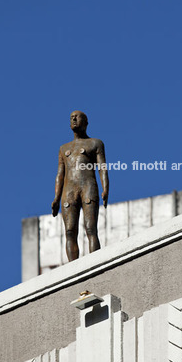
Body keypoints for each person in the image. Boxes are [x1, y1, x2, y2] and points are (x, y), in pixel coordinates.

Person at [51, 111, 109, 261]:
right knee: (70, 231)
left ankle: (95, 263)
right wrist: (56, 198)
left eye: (78, 116)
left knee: (90, 228)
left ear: (86, 122)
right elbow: (60, 175)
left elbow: (102, 167)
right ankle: (73, 270)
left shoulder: (95, 143)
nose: (74, 118)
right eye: (71, 117)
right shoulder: (63, 148)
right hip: (68, 191)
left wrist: (105, 188)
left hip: (88, 187)